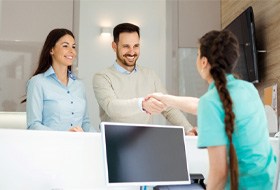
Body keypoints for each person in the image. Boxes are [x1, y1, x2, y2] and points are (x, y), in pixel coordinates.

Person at [149, 30, 276, 189]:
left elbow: (219, 173)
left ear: (203, 62)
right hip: (266, 183)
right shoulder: (248, 89)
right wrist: (167, 99)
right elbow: (202, 105)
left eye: (197, 54)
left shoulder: (212, 102)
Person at [93, 23, 196, 135]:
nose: (132, 52)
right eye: (126, 46)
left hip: (144, 140)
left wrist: (188, 129)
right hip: (113, 141)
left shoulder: (150, 75)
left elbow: (168, 108)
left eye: (136, 46)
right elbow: (112, 108)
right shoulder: (102, 77)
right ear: (114, 46)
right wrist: (142, 104)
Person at [24, 28, 91, 132]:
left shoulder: (79, 85)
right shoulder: (37, 82)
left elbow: (85, 122)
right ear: (51, 50)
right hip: (51, 146)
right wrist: (63, 136)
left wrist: (98, 139)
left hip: (78, 146)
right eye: (65, 46)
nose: (72, 51)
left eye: (73, 46)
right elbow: (33, 125)